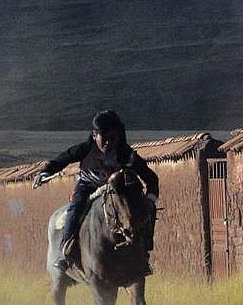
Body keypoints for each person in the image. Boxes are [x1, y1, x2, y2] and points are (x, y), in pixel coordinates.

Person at [33, 110, 160, 272]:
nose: (108, 143)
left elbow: (151, 178)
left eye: (113, 138)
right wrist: (45, 172)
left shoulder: (126, 154)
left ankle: (144, 253)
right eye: (104, 138)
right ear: (94, 136)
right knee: (75, 209)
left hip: (116, 190)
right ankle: (66, 252)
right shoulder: (85, 149)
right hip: (88, 187)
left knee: (144, 211)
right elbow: (62, 159)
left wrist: (149, 200)